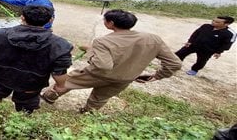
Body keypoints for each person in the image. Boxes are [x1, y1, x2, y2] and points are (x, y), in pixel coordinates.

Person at [41, 9, 182, 113]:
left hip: (97, 74)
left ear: (111, 23)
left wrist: (91, 51)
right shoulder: (153, 39)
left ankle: (48, 97)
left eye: (105, 20)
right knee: (100, 98)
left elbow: (103, 65)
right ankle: (88, 113)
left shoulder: (104, 41)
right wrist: (157, 75)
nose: (104, 22)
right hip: (125, 78)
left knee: (68, 82)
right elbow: (175, 63)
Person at [0, 6, 73, 113]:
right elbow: (59, 71)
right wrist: (60, 85)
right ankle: (21, 122)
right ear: (50, 20)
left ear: (22, 17)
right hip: (32, 81)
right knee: (27, 103)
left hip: (0, 75)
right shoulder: (59, 45)